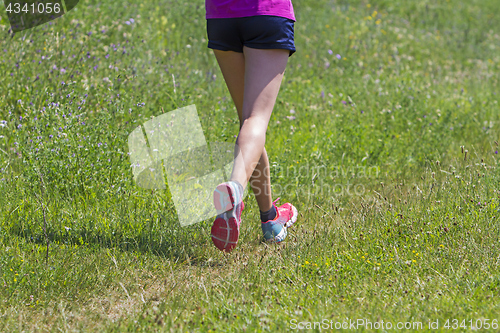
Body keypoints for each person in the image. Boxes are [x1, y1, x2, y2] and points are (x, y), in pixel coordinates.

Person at [206, 0, 298, 252]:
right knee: (255, 119)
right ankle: (235, 190)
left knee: (247, 120)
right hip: (267, 13)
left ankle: (270, 219)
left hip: (221, 16)